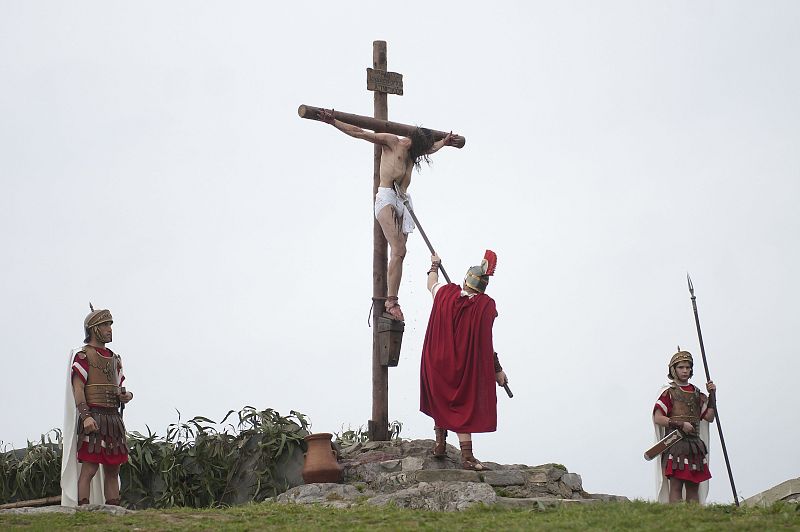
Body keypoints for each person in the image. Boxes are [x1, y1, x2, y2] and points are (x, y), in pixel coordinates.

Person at [319, 108, 458, 321]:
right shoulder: (393, 142)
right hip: (386, 197)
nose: (424, 154)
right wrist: (334, 121)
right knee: (399, 248)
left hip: (403, 200)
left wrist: (445, 143)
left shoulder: (415, 152)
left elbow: (431, 148)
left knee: (401, 253)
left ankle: (394, 298)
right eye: (424, 149)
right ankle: (391, 301)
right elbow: (361, 132)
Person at [419, 250, 508, 470]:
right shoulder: (485, 306)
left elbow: (431, 283)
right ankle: (467, 457)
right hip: (463, 366)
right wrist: (497, 370)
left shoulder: (445, 294)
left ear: (465, 280)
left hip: (435, 360)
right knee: (459, 404)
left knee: (441, 397)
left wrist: (434, 266)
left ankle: (440, 443)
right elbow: (486, 344)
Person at [61, 305, 133, 506]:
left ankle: (114, 512)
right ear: (94, 329)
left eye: (110, 324)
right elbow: (78, 389)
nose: (110, 329)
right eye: (105, 325)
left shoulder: (114, 359)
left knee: (113, 469)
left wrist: (126, 395)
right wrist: (86, 417)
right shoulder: (83, 356)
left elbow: (119, 386)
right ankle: (82, 511)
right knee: (90, 468)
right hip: (94, 416)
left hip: (113, 419)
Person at [652, 349, 716, 503]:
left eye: (688, 367)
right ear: (673, 369)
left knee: (693, 485)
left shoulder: (697, 393)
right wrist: (680, 424)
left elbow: (709, 417)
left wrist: (712, 395)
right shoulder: (669, 392)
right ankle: (676, 517)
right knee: (676, 485)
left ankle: (693, 518)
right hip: (675, 444)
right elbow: (658, 418)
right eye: (681, 367)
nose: (685, 370)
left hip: (694, 445)